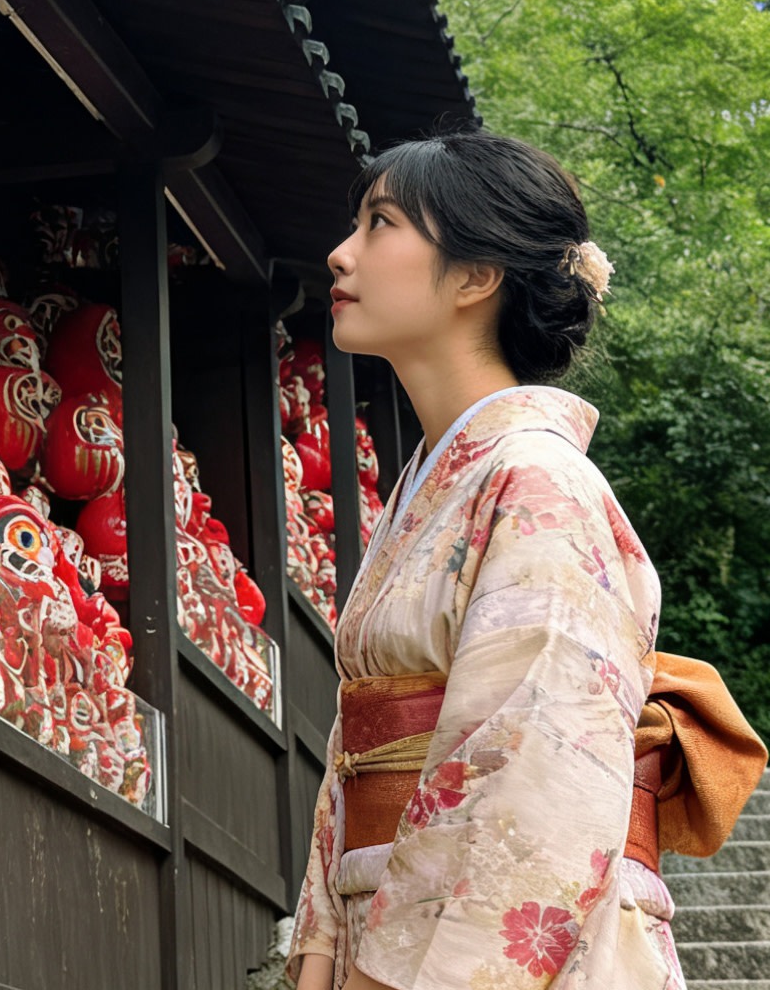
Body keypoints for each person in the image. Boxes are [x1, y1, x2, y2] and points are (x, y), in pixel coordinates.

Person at [292, 128, 684, 990]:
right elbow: (356, 758)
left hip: (494, 949)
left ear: (476, 276)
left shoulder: (539, 481)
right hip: (388, 927)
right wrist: (322, 951)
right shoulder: (433, 488)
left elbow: (538, 769)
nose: (341, 252)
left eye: (380, 222)